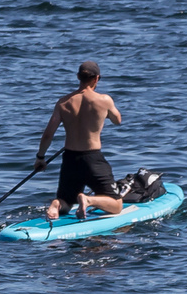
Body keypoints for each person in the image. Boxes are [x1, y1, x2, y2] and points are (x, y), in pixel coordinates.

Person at [36, 61, 124, 221]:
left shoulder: (63, 102)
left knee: (66, 201)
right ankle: (88, 200)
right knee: (117, 205)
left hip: (70, 159)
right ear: (97, 78)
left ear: (78, 77)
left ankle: (57, 204)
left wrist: (40, 158)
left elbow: (48, 134)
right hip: (92, 159)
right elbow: (117, 120)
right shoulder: (104, 100)